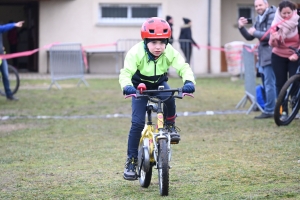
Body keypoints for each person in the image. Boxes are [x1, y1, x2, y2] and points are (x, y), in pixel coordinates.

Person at [119, 17, 196, 180]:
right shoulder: (135, 52)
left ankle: (170, 125)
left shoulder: (169, 51)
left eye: (162, 42)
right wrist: (127, 87)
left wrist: (189, 82)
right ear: (146, 41)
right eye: (154, 43)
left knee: (170, 98)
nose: (158, 47)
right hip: (139, 86)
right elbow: (126, 73)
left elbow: (183, 67)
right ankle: (131, 160)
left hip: (159, 83)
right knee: (137, 123)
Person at [238, 0, 277, 119]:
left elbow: (271, 36)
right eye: (256, 6)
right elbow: (250, 36)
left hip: (271, 55)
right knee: (267, 83)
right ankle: (271, 107)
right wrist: (241, 27)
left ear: (266, 5)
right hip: (263, 56)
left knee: (271, 84)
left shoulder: (273, 16)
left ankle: (270, 110)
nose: (258, 7)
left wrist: (256, 32)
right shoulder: (259, 18)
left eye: (260, 5)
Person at [269, 1, 300, 98]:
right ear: (279, 13)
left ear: (293, 11)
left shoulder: (298, 21)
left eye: (289, 13)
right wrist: (274, 39)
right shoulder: (275, 23)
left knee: (295, 82)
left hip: (295, 55)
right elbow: (272, 45)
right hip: (278, 55)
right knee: (280, 84)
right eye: (284, 13)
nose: (286, 15)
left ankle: (294, 106)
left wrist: (296, 55)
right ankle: (282, 110)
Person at [0, 21, 24, 100]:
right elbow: (3, 28)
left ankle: (9, 94)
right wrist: (14, 25)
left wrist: (14, 25)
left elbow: (3, 27)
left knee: (5, 75)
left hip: (2, 57)